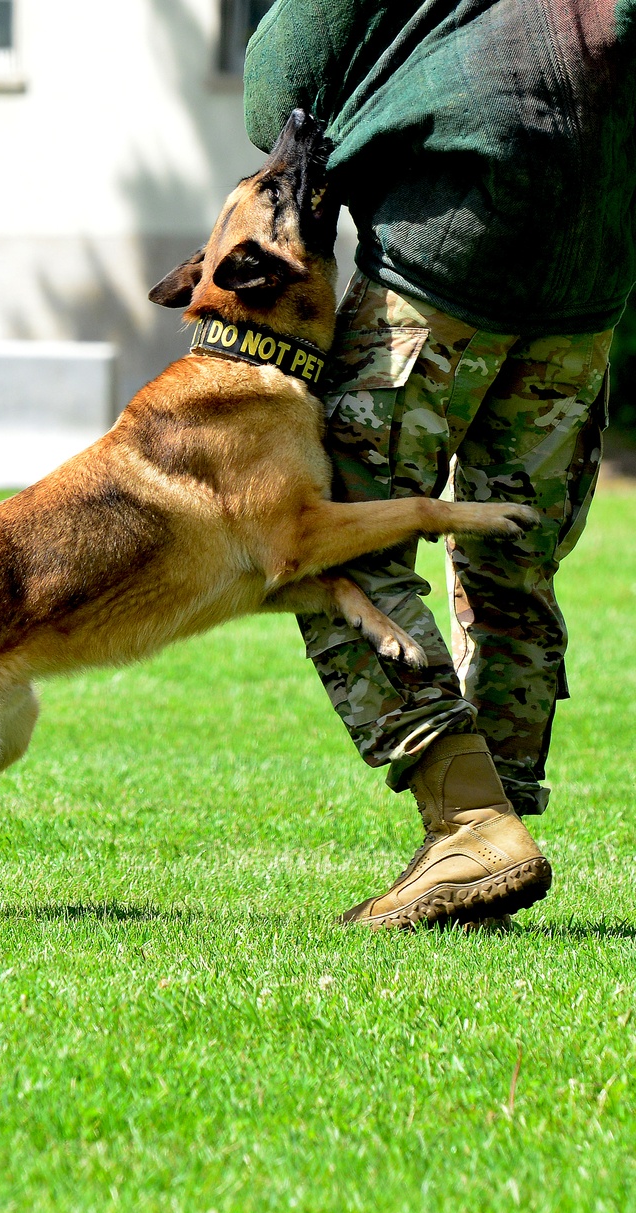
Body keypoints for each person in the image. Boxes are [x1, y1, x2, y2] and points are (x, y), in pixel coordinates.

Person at [242, 0, 636, 927]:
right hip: (590, 271)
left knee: (329, 541)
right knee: (515, 561)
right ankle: (489, 840)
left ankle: (472, 826)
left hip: (445, 247)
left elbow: (279, 85)